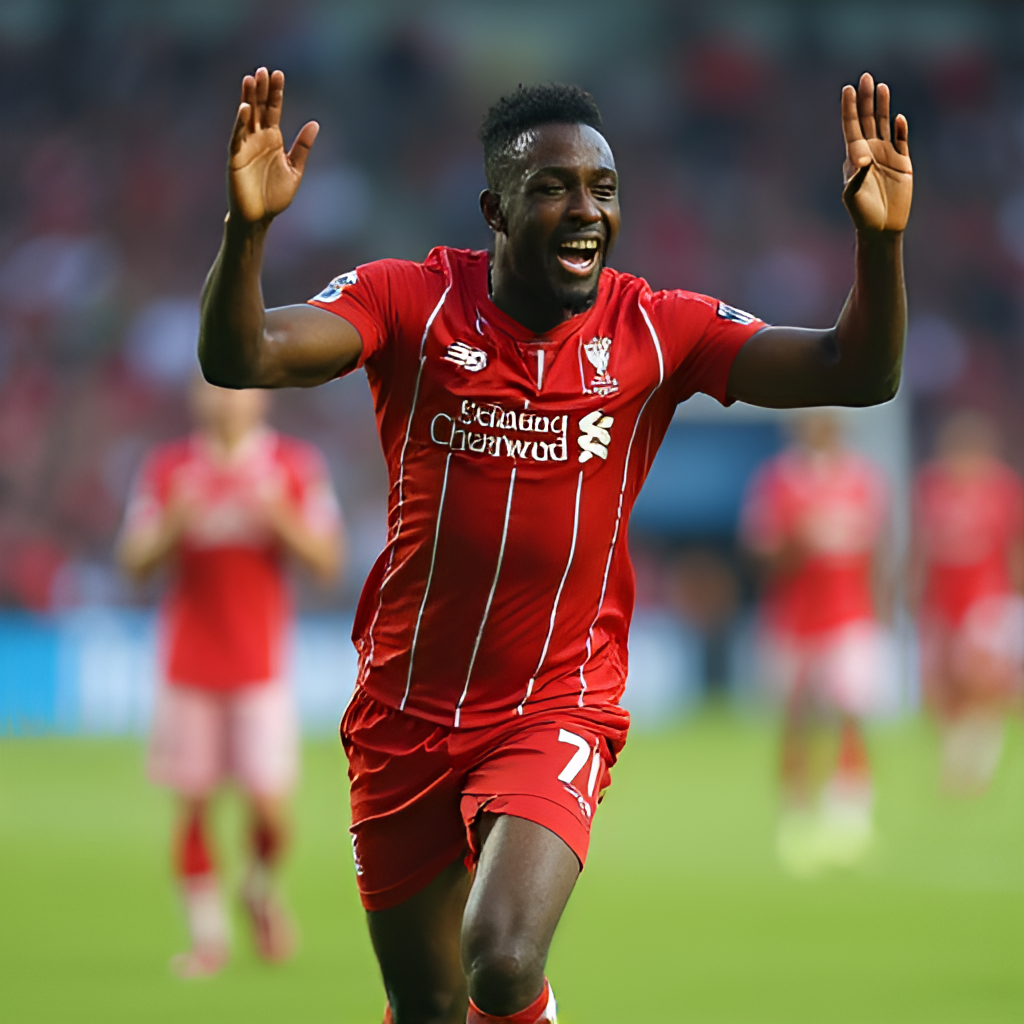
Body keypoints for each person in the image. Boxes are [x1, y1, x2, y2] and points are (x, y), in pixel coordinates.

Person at [198, 65, 911, 1023]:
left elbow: (853, 370)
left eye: (604, 190)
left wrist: (880, 244)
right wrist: (248, 231)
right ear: (494, 207)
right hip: (401, 713)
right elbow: (244, 355)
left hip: (555, 702)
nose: (586, 210)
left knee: (501, 956)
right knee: (428, 1005)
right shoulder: (406, 300)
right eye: (553, 188)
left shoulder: (656, 329)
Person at [117, 375, 343, 977]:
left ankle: (260, 888)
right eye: (214, 390)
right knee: (192, 804)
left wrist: (279, 517)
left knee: (269, 808)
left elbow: (328, 560)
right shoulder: (169, 470)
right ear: (195, 397)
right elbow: (132, 563)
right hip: (187, 665)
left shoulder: (293, 467)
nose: (225, 401)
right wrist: (173, 524)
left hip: (259, 666)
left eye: (237, 390)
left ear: (261, 397)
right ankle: (207, 939)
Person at [740, 412, 892, 876]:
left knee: (851, 712)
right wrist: (796, 543)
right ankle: (797, 815)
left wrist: (881, 610)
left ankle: (851, 813)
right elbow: (760, 552)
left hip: (850, 617)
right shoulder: (778, 482)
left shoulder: (864, 480)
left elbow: (880, 550)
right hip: (791, 619)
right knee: (797, 719)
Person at [910, 410, 1024, 793]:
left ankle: (976, 767)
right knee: (945, 687)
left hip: (985, 600)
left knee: (983, 685)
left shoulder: (1003, 489)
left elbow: (1014, 547)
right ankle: (955, 761)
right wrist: (914, 587)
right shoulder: (932, 488)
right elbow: (922, 545)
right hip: (941, 601)